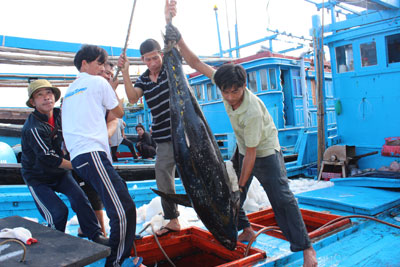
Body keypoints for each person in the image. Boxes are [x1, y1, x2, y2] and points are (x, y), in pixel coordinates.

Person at [159, 7, 319, 266]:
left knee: (281, 198)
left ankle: (307, 248)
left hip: (264, 151)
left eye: (236, 91)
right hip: (243, 147)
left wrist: (241, 186)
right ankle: (246, 229)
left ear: (244, 86)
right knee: (228, 195)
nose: (231, 96)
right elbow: (196, 63)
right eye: (227, 92)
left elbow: (252, 155)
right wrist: (178, 38)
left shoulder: (252, 110)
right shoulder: (222, 83)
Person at [61, 45, 137, 267]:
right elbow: (119, 112)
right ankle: (116, 260)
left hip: (79, 158)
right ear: (84, 63)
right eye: (100, 63)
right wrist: (115, 84)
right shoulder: (98, 83)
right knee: (124, 210)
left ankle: (125, 240)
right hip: (93, 154)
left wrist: (109, 85)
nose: (104, 68)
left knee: (119, 196)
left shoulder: (71, 90)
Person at [117, 0, 182, 237]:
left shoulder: (171, 67)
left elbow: (172, 43)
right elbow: (133, 98)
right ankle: (172, 219)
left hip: (183, 133)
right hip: (163, 137)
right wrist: (124, 73)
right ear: (143, 60)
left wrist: (168, 19)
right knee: (163, 175)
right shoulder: (144, 79)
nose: (153, 63)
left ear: (161, 55)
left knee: (196, 174)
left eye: (155, 57)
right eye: (147, 59)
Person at [20, 79, 107, 246]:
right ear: (33, 102)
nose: (46, 98)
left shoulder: (61, 115)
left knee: (81, 200)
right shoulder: (33, 128)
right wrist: (78, 163)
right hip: (38, 178)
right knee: (58, 213)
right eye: (40, 95)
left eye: (49, 93)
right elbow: (49, 158)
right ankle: (54, 245)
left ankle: (95, 236)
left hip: (60, 173)